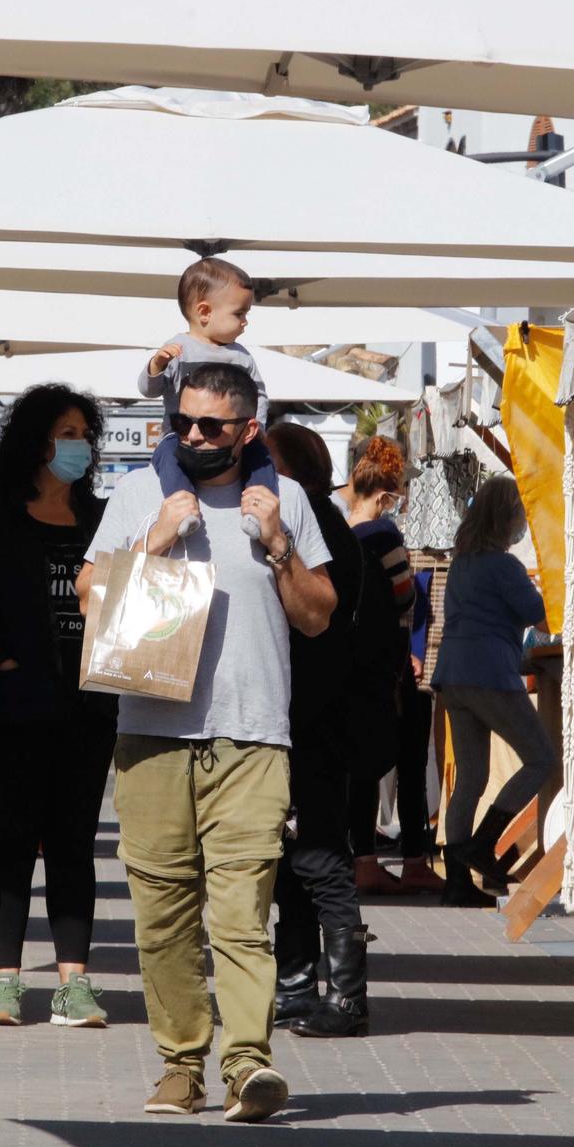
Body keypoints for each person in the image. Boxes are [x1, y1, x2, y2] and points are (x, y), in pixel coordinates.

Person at [79, 363, 335, 1123]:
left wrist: (280, 544)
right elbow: (88, 596)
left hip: (254, 734)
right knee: (161, 916)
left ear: (247, 429)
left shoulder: (283, 500)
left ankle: (249, 1063)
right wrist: (155, 541)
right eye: (182, 421)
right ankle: (179, 1065)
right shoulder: (138, 494)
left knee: (241, 912)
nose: (191, 436)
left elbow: (319, 615)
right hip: (152, 733)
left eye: (211, 426)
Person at [0, 385, 117, 1029]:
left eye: (83, 433)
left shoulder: (104, 519)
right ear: (35, 442)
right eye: (66, 432)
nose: (79, 445)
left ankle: (74, 984)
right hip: (7, 708)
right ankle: (5, 984)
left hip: (87, 708)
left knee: (73, 841)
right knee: (12, 837)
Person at [262, 422, 371, 1040]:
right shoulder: (318, 523)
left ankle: (347, 995)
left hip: (315, 714)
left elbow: (323, 629)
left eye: (269, 463)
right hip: (305, 710)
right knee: (291, 855)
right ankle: (299, 981)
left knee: (321, 854)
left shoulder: (319, 528)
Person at [431, 476, 558, 908]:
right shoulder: (504, 566)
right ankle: (482, 845)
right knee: (540, 758)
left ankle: (457, 880)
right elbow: (541, 617)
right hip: (490, 674)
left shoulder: (463, 562)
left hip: (452, 675)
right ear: (508, 519)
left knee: (470, 778)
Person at [336, 437, 440, 896]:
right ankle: (415, 861)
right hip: (391, 667)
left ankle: (363, 858)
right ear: (384, 496)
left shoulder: (338, 534)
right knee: (411, 760)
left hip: (351, 663)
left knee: (359, 763)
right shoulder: (384, 536)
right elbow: (405, 596)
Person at [139, 258, 277, 539]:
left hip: (232, 439)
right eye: (239, 313)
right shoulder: (179, 350)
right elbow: (149, 390)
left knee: (263, 460)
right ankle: (182, 506)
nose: (245, 322)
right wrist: (156, 366)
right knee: (166, 458)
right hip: (178, 437)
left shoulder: (241, 356)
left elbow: (259, 393)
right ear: (204, 312)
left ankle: (257, 510)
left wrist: (257, 427)